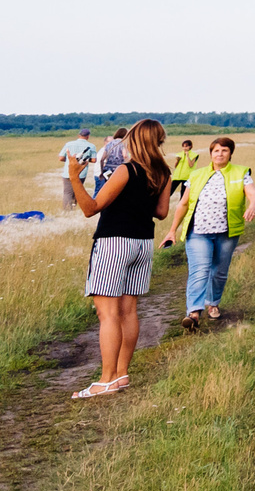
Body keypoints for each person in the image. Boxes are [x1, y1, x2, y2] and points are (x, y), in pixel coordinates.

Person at [65, 116, 172, 399]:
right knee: (128, 311)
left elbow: (91, 208)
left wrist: (75, 177)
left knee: (108, 313)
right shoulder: (164, 173)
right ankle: (121, 374)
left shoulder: (126, 170)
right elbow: (161, 213)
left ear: (135, 139)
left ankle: (105, 379)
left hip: (113, 243)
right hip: (143, 245)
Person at [179, 137, 255, 329]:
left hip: (226, 232)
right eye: (216, 151)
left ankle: (213, 303)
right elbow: (183, 203)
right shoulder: (197, 175)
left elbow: (253, 193)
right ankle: (194, 312)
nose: (220, 154)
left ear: (230, 153)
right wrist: (172, 230)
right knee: (200, 270)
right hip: (198, 231)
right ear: (211, 153)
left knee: (219, 272)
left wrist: (252, 206)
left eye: (224, 150)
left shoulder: (241, 172)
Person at [161, 140, 201, 248]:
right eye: (183, 147)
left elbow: (190, 164)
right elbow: (176, 165)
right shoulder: (179, 154)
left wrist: (187, 156)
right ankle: (163, 203)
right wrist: (177, 160)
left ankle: (180, 210)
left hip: (187, 177)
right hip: (178, 176)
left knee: (183, 195)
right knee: (169, 192)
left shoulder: (194, 155)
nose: (184, 148)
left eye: (186, 147)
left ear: (190, 147)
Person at [56, 128, 96, 211]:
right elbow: (94, 160)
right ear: (88, 136)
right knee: (77, 191)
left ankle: (67, 210)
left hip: (68, 172)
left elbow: (61, 158)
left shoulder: (69, 144)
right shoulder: (91, 146)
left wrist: (70, 160)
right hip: (81, 172)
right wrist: (84, 160)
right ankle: (74, 206)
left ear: (79, 135)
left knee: (67, 192)